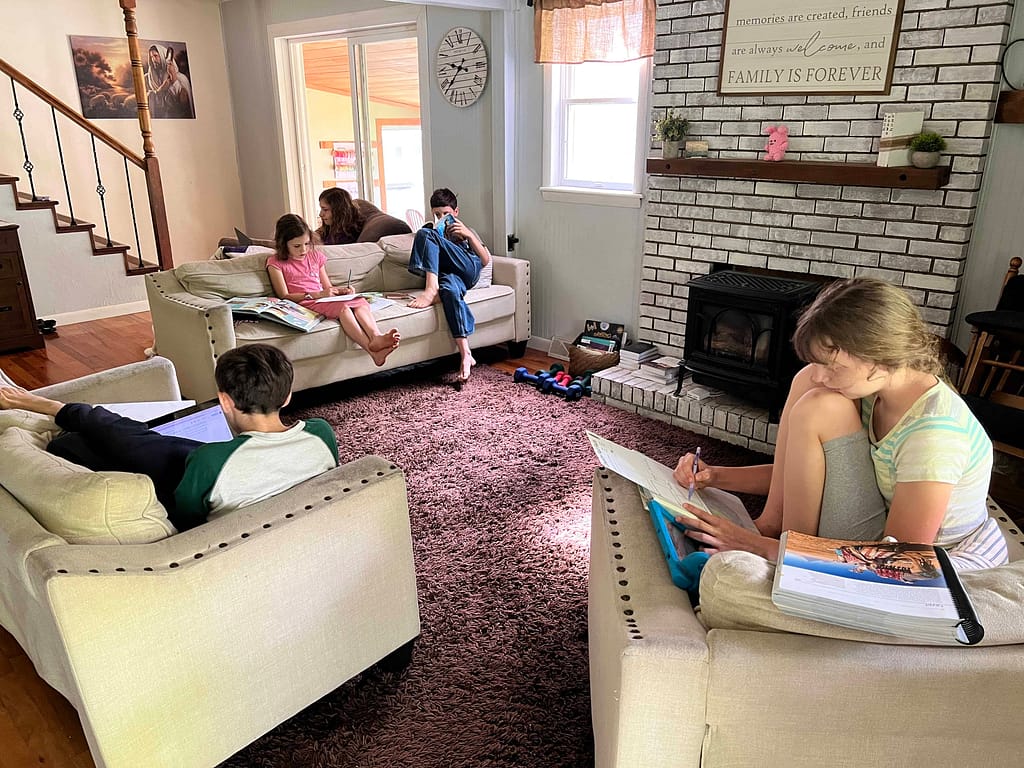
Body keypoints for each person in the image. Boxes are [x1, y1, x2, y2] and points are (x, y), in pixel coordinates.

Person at [672, 277, 1007, 572]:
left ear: (878, 360)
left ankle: (785, 554)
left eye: (831, 366)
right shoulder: (876, 389)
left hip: (905, 550)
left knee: (818, 405)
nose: (821, 374)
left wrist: (756, 547)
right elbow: (808, 475)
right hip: (878, 519)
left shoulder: (934, 436)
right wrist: (714, 475)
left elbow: (899, 561)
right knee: (808, 384)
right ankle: (773, 526)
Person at [0, 344, 339, 532]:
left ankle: (44, 408)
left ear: (224, 400)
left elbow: (185, 519)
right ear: (288, 395)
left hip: (209, 506)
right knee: (140, 441)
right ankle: (53, 410)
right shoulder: (322, 434)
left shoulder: (210, 462)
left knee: (109, 444)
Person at [267, 213, 400, 366]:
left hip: (323, 299)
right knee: (343, 307)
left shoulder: (315, 256)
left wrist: (343, 291)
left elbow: (328, 287)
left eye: (307, 244)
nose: (303, 250)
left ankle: (375, 336)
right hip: (304, 302)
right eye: (297, 246)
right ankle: (370, 349)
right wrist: (315, 294)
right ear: (283, 244)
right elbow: (284, 295)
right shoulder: (275, 262)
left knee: (360, 301)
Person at [407, 188, 491, 381]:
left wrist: (468, 235)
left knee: (424, 234)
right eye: (437, 214)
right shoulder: (434, 230)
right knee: (450, 292)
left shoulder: (462, 229)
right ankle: (466, 354)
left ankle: (431, 289)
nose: (441, 217)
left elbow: (485, 260)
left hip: (468, 267)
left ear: (455, 212)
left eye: (446, 213)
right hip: (451, 275)